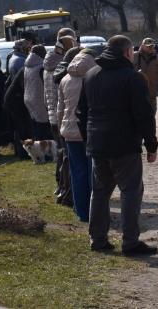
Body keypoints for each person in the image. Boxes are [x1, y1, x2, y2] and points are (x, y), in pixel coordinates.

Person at [76, 35, 158, 255]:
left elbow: (81, 113)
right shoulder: (132, 77)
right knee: (131, 191)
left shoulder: (90, 75)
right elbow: (144, 115)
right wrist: (151, 145)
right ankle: (130, 242)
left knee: (100, 193)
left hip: (97, 144)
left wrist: (89, 138)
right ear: (128, 52)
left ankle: (97, 240)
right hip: (124, 145)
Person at [57, 48, 97, 222]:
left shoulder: (65, 79)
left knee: (77, 173)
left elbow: (60, 109)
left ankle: (81, 212)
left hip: (70, 133)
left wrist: (61, 129)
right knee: (92, 174)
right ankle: (95, 211)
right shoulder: (94, 77)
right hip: (89, 132)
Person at [44, 30, 77, 206]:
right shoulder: (64, 67)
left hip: (52, 115)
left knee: (61, 154)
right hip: (63, 115)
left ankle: (61, 186)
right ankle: (66, 189)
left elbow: (45, 95)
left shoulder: (47, 64)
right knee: (67, 156)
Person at [23, 45, 52, 141]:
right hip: (39, 99)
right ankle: (42, 150)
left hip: (28, 98)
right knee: (43, 125)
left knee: (35, 123)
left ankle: (35, 147)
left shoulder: (28, 65)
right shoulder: (41, 67)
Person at [133, 38, 158, 116]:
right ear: (142, 46)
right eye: (148, 46)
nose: (151, 48)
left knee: (151, 116)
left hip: (151, 93)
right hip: (136, 94)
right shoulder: (134, 56)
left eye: (152, 46)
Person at [4, 67, 31, 159]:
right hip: (15, 99)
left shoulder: (25, 69)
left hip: (12, 97)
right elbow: (25, 88)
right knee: (23, 125)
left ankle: (19, 152)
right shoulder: (27, 70)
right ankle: (22, 153)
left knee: (19, 125)